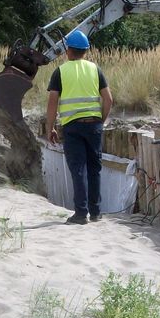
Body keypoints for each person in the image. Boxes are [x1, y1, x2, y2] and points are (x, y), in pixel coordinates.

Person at [45, 30, 113, 225]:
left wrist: (50, 128)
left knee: (79, 170)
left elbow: (52, 103)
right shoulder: (95, 69)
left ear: (68, 50)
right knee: (94, 169)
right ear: (85, 51)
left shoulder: (60, 71)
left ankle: (81, 214)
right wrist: (101, 120)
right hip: (94, 126)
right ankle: (96, 212)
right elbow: (108, 99)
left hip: (72, 127)